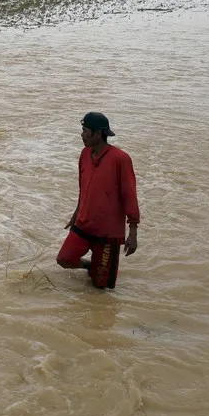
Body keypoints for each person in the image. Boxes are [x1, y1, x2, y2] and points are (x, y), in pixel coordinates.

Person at [57, 112, 140, 289]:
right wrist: (75, 215)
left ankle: (98, 269)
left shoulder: (120, 159)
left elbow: (130, 195)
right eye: (82, 130)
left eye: (85, 131)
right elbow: (84, 189)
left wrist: (133, 231)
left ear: (98, 135)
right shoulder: (84, 154)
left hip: (108, 234)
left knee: (101, 289)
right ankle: (90, 265)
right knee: (64, 259)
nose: (81, 134)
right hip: (83, 224)